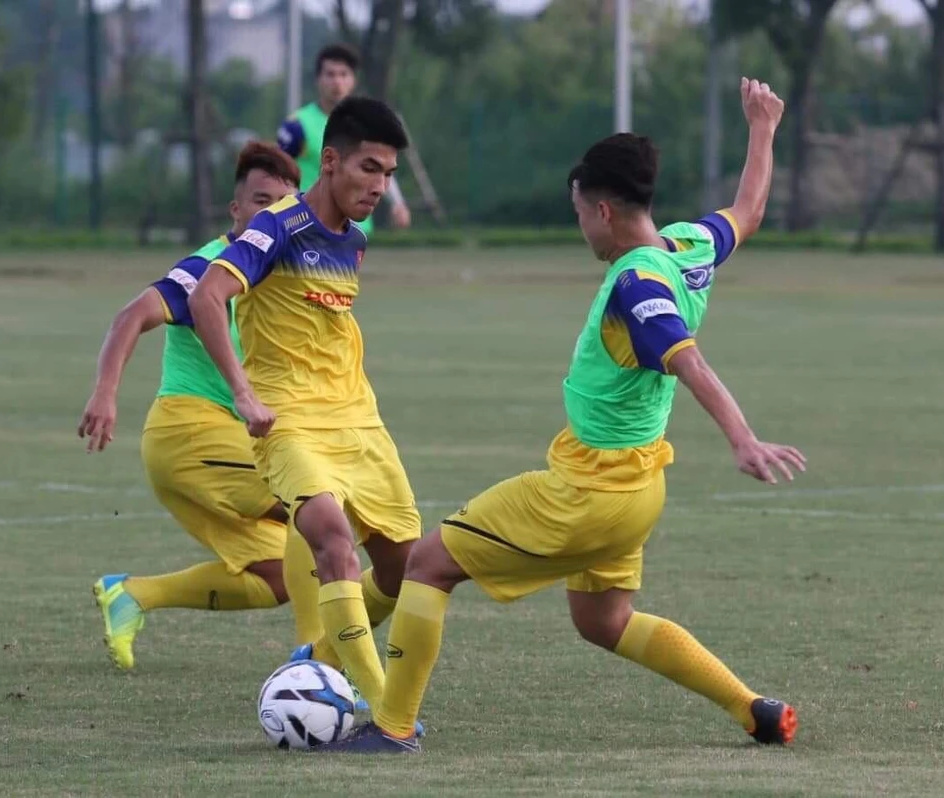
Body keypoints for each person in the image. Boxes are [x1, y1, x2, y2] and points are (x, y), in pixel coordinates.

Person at [320, 78, 804, 754]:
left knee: (427, 564)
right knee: (604, 622)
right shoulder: (689, 246)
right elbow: (747, 211)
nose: (581, 229)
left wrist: (742, 438)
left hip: (589, 489)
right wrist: (762, 129)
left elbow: (687, 359)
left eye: (580, 214)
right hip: (639, 488)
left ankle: (392, 728)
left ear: (603, 210)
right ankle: (752, 708)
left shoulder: (638, 282)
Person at [189, 97, 421, 715]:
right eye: (369, 169)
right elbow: (208, 297)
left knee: (403, 570)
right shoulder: (277, 227)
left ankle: (318, 658)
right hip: (289, 421)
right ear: (331, 161)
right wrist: (243, 392)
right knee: (331, 537)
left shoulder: (355, 240)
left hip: (358, 421)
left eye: (389, 174)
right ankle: (383, 711)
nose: (380, 186)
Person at [78, 142, 322, 670]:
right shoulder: (208, 267)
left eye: (283, 203)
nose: (272, 212)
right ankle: (317, 661)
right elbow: (131, 316)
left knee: (278, 576)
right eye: (260, 201)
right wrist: (105, 392)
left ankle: (134, 594)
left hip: (222, 442)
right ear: (236, 210)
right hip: (189, 436)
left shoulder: (278, 275)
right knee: (315, 507)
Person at [278, 43, 412, 234]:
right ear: (318, 79)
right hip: (310, 226)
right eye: (330, 74)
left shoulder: (368, 123)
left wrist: (398, 203)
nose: (337, 82)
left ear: (353, 80)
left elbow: (382, 164)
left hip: (356, 228)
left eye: (343, 74)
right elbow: (278, 175)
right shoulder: (297, 125)